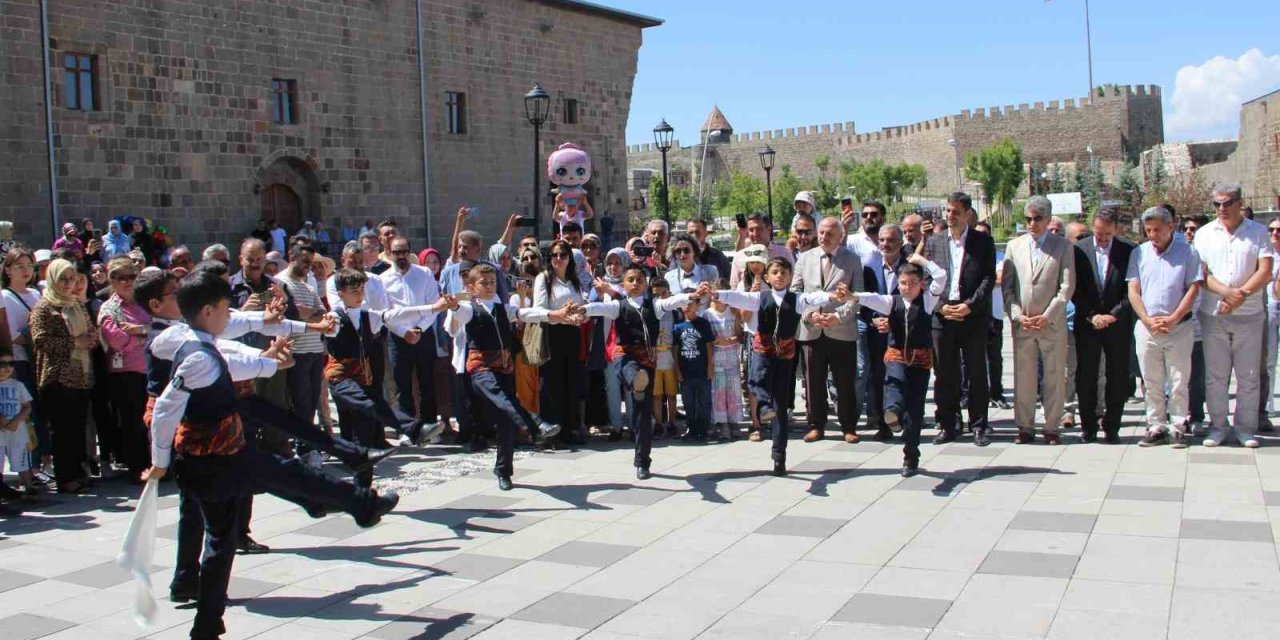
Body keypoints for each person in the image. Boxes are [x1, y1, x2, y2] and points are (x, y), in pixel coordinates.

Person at [143, 270, 399, 640]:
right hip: (223, 456)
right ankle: (362, 504)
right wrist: (159, 460)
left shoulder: (176, 338)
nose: (231, 317)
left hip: (201, 461)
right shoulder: (199, 357)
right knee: (293, 475)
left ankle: (207, 624)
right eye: (226, 311)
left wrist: (267, 336)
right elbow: (173, 402)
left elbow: (220, 348)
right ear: (210, 311)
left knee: (220, 539)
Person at [712, 262, 850, 475]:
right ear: (767, 276)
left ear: (790, 276)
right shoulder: (759, 298)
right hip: (763, 350)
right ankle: (763, 407)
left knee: (781, 407)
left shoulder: (796, 299)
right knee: (755, 380)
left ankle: (779, 457)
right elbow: (736, 297)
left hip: (785, 355)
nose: (780, 276)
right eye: (775, 273)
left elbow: (816, 297)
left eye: (784, 273)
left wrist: (834, 297)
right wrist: (716, 293)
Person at [324, 268, 454, 485]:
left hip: (362, 380)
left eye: (362, 290)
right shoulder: (334, 318)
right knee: (372, 402)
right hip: (340, 380)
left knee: (363, 437)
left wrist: (433, 307)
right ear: (340, 293)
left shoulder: (368, 316)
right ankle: (413, 429)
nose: (360, 295)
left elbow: (395, 315)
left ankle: (362, 492)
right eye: (354, 290)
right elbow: (325, 328)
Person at [447, 264, 570, 489]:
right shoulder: (469, 308)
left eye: (492, 282)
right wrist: (454, 304)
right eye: (483, 283)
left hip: (504, 368)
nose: (489, 286)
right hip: (480, 368)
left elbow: (528, 313)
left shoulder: (503, 308)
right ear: (472, 287)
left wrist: (556, 314)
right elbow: (458, 316)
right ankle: (535, 424)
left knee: (505, 419)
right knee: (502, 397)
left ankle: (503, 470)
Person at [581, 266, 698, 479]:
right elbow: (597, 308)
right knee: (630, 370)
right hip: (624, 356)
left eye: (639, 280)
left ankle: (642, 461)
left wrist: (692, 295)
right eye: (631, 279)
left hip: (648, 361)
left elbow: (673, 301)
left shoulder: (655, 305)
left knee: (643, 415)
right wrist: (581, 310)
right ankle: (635, 379)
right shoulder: (618, 306)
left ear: (646, 284)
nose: (635, 283)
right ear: (623, 284)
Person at [850, 253, 947, 476]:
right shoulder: (892, 302)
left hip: (920, 360)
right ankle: (892, 412)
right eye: (903, 283)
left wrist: (921, 261)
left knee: (915, 409)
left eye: (912, 284)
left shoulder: (927, 300)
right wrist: (852, 296)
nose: (907, 288)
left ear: (921, 284)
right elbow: (871, 298)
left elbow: (940, 276)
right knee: (894, 383)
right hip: (897, 356)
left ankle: (910, 457)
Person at [1194, 184, 1274, 447]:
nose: (1222, 209)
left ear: (1240, 203)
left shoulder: (1258, 232)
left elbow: (1265, 270)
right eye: (1217, 204)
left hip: (1250, 314)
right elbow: (1201, 273)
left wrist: (1240, 296)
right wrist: (1228, 294)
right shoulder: (1205, 234)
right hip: (1214, 313)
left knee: (1248, 375)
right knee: (1216, 375)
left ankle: (1245, 428)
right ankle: (1217, 426)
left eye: (1227, 203)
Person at [924, 192, 997, 446]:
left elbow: (988, 278)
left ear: (967, 214)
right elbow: (927, 280)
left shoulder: (982, 242)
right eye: (947, 211)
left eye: (955, 212)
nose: (950, 216)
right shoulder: (934, 242)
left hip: (971, 315)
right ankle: (948, 423)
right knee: (944, 372)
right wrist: (941, 306)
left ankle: (979, 424)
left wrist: (969, 305)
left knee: (976, 370)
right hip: (942, 315)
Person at [1003, 195, 1076, 445]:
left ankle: (1052, 426)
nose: (1032, 224)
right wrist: (1016, 315)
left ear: (1048, 219)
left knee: (1054, 375)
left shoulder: (1063, 246)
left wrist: (1048, 316)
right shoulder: (1014, 246)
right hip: (1023, 322)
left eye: (1037, 219)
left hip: (1050, 323)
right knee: (1024, 376)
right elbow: (1009, 287)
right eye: (1028, 219)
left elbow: (1066, 287)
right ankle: (1024, 426)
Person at [1129, 207, 1203, 448]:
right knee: (1151, 380)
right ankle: (1155, 424)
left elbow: (1193, 287)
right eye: (1148, 230)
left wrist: (1174, 317)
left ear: (1171, 227)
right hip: (1148, 326)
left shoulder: (1188, 252)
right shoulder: (1139, 253)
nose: (1152, 235)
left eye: (1157, 230)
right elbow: (1134, 290)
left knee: (1179, 378)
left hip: (1178, 327)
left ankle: (1178, 425)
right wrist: (1147, 319)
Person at [791, 216, 863, 443]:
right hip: (812, 330)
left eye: (829, 233)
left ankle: (848, 426)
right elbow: (795, 293)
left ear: (841, 236)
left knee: (844, 381)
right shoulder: (804, 258)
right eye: (821, 233)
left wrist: (837, 317)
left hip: (841, 330)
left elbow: (857, 297)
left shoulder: (852, 260)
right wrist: (809, 314)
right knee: (813, 381)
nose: (823, 237)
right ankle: (816, 425)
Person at [30, 259, 97, 493]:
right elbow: (40, 339)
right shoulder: (44, 307)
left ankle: (78, 472)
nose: (68, 284)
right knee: (62, 429)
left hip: (81, 374)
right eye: (63, 279)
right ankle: (65, 477)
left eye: (72, 279)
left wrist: (90, 338)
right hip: (57, 376)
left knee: (78, 427)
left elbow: (90, 328)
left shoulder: (76, 304)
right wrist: (74, 342)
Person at [1071, 209, 1135, 443]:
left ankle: (1112, 426)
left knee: (1116, 376)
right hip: (1087, 324)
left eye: (1107, 233)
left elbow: (1133, 290)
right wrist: (1091, 315)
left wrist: (1113, 315)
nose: (1102, 238)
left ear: (1116, 230)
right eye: (1098, 233)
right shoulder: (1079, 249)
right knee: (1086, 375)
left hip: (1117, 324)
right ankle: (1088, 427)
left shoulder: (1128, 250)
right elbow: (1073, 288)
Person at [379, 236, 446, 444]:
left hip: (423, 333)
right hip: (398, 337)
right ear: (390, 254)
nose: (401, 256)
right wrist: (404, 332)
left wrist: (418, 329)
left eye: (404, 251)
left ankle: (429, 427)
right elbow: (385, 313)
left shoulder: (424, 274)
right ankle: (409, 429)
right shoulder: (383, 279)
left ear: (410, 252)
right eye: (396, 252)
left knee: (427, 382)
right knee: (402, 385)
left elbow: (434, 305)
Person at [97, 256, 151, 483]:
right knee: (132, 421)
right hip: (125, 373)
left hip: (149, 369)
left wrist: (139, 330)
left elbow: (159, 328)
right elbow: (116, 340)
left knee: (152, 420)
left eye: (132, 277)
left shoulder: (144, 303)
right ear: (112, 281)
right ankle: (136, 467)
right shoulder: (109, 308)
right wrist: (140, 338)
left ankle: (155, 463)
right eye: (121, 278)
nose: (128, 282)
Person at [862, 224, 909, 441]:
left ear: (900, 242)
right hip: (876, 333)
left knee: (902, 377)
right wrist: (873, 319)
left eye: (890, 240)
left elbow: (915, 302)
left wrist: (894, 321)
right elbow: (863, 300)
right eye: (881, 240)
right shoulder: (869, 267)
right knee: (878, 377)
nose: (885, 244)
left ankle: (905, 418)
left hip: (903, 334)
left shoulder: (910, 268)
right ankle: (883, 424)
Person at [1, 248, 45, 480]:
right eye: (19, 266)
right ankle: (29, 468)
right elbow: (11, 334)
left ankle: (40, 461)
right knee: (24, 416)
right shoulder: (4, 297)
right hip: (19, 361)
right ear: (8, 270)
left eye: (29, 265)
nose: (26, 270)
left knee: (40, 414)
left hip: (39, 359)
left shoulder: (37, 294)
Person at [971, 222, 1010, 410]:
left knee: (994, 356)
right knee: (969, 359)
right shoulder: (969, 256)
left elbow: (1000, 278)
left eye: (984, 234)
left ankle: (996, 392)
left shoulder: (999, 257)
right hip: (973, 313)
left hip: (994, 314)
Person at [673, 295, 715, 441]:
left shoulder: (703, 324)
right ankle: (691, 429)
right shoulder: (677, 327)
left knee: (704, 402)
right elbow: (675, 351)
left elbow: (709, 347)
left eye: (690, 303)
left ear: (697, 305)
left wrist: (710, 367)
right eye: (684, 303)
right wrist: (677, 371)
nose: (687, 306)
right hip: (686, 372)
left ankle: (703, 429)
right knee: (688, 403)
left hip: (702, 370)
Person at [705, 284, 742, 441]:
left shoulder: (733, 312)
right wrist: (716, 340)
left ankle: (734, 422)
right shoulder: (707, 314)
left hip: (732, 359)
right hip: (716, 359)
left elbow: (740, 334)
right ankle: (723, 424)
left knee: (733, 392)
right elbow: (707, 338)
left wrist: (733, 339)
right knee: (719, 393)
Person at [0, 347, 37, 502]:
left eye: (11, 364)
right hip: (1, 430)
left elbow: (27, 406)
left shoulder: (17, 385)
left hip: (17, 429)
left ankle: (29, 486)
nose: (7, 368)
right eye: (2, 364)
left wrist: (16, 421)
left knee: (21, 459)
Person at [649, 278, 679, 438]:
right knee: (657, 394)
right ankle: (659, 424)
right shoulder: (649, 312)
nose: (661, 298)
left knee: (672, 393)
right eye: (656, 295)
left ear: (670, 293)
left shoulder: (675, 312)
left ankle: (672, 422)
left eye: (664, 293)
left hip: (669, 356)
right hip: (654, 357)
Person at [730, 214, 792, 287]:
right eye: (751, 230)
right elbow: (734, 288)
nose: (755, 234)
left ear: (769, 230)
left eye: (759, 229)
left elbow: (792, 283)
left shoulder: (784, 253)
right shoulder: (740, 256)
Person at [1260, 217, 1280, 430]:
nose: (1275, 234)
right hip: (1271, 308)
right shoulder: (1267, 255)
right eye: (1271, 230)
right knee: (1269, 359)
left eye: (1279, 231)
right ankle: (1268, 404)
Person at [664, 233, 719, 301]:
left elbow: (717, 298)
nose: (682, 254)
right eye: (678, 251)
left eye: (686, 250)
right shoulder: (669, 276)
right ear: (674, 254)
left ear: (694, 251)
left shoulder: (711, 271)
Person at [845, 201, 886, 266]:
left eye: (874, 214)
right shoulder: (850, 241)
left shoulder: (892, 242)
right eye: (865, 215)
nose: (868, 217)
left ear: (884, 219)